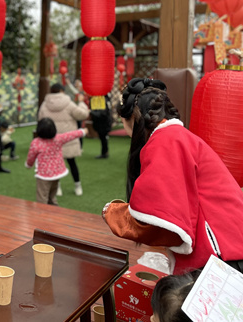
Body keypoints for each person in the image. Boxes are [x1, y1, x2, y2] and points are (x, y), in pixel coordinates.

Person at [102, 78, 243, 275]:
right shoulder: (175, 136)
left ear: (132, 119)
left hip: (223, 255)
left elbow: (160, 223)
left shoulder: (166, 141)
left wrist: (111, 212)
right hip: (230, 243)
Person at [37, 83, 90, 196]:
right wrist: (81, 102)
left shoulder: (45, 104)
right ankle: (77, 186)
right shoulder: (69, 103)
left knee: (55, 164)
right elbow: (83, 114)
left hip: (51, 140)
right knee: (72, 164)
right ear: (62, 91)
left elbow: (40, 119)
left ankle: (58, 188)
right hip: (67, 139)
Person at [25, 117, 87, 205]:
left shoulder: (36, 142)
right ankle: (55, 212)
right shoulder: (58, 138)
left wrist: (28, 165)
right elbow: (70, 135)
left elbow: (31, 156)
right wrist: (82, 131)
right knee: (52, 195)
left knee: (42, 197)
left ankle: (41, 215)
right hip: (57, 173)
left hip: (44, 175)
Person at [90, 93, 113, 159]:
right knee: (103, 138)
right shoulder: (104, 99)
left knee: (103, 138)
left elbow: (103, 113)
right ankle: (104, 152)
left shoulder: (102, 99)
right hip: (103, 123)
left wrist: (92, 112)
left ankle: (104, 153)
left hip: (103, 123)